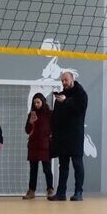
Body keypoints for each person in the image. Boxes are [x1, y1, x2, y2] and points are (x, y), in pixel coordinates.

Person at [48, 71, 88, 202]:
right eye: (62, 81)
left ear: (72, 79)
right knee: (63, 165)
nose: (64, 83)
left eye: (66, 80)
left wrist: (66, 101)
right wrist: (52, 132)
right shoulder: (60, 96)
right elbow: (56, 117)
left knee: (77, 164)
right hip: (62, 137)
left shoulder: (81, 93)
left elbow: (79, 108)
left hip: (75, 135)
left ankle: (78, 192)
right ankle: (61, 193)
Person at [23, 92, 54, 199]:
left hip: (45, 146)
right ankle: (31, 191)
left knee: (47, 169)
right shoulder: (31, 114)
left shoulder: (50, 114)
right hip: (33, 145)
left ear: (43, 102)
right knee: (33, 170)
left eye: (38, 102)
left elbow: (54, 128)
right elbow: (27, 130)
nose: (36, 104)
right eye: (34, 103)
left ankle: (50, 189)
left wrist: (51, 138)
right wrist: (30, 122)